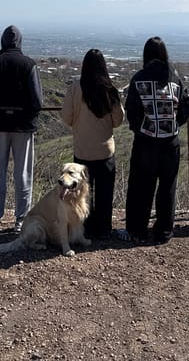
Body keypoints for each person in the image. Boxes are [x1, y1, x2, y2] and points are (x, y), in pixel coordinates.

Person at [118, 36, 189, 244]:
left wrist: (140, 128)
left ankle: (137, 231)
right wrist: (175, 124)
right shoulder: (174, 78)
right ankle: (164, 232)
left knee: (141, 187)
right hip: (171, 143)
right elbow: (187, 107)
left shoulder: (139, 78)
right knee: (167, 188)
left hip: (146, 142)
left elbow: (132, 111)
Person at [0, 25, 43, 235]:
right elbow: (38, 101)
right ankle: (20, 221)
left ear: (3, 41)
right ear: (20, 41)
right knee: (23, 173)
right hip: (23, 126)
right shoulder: (29, 64)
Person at [61, 49, 125, 239]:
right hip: (105, 151)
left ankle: (85, 228)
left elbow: (66, 117)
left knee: (82, 193)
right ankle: (104, 229)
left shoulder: (75, 88)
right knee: (105, 193)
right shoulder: (110, 90)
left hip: (82, 151)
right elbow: (119, 120)